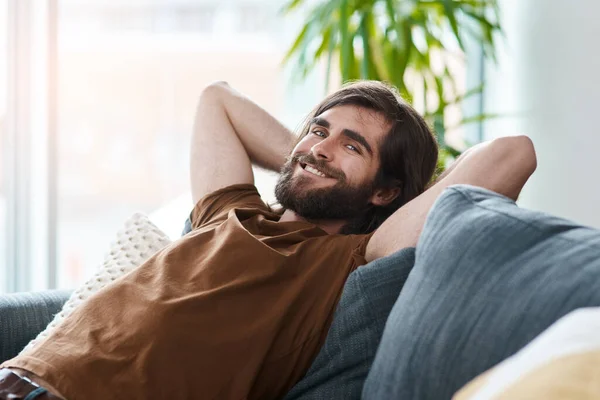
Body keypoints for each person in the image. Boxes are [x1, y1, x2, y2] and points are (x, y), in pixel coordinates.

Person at [0, 80, 536, 400]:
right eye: (319, 129)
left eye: (354, 146)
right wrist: (317, 158)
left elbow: (513, 153)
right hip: (19, 374)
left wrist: (346, 178)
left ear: (387, 192)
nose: (320, 146)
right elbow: (218, 98)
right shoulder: (229, 212)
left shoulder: (347, 261)